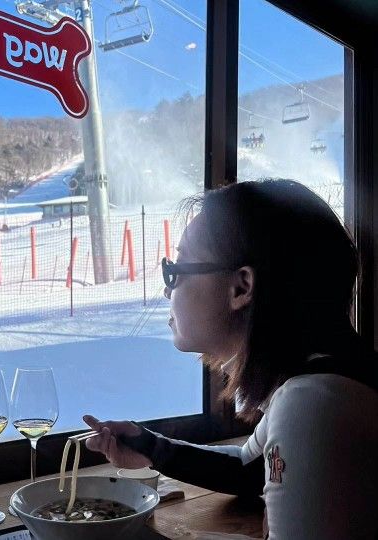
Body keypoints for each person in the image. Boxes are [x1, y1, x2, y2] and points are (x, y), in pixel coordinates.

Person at [84, 179, 378, 539]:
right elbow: (249, 468)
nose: (166, 290)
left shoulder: (313, 403)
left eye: (177, 270)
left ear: (241, 287)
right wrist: (150, 447)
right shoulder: (321, 379)